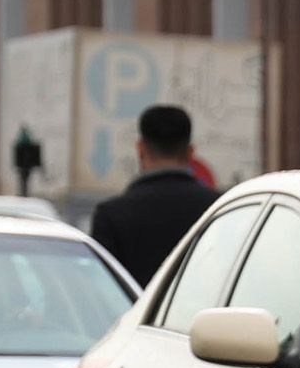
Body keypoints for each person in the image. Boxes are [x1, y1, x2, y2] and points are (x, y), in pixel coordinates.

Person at [87, 103, 214, 284]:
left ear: (140, 149)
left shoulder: (111, 215)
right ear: (191, 152)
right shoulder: (216, 209)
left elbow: (101, 286)